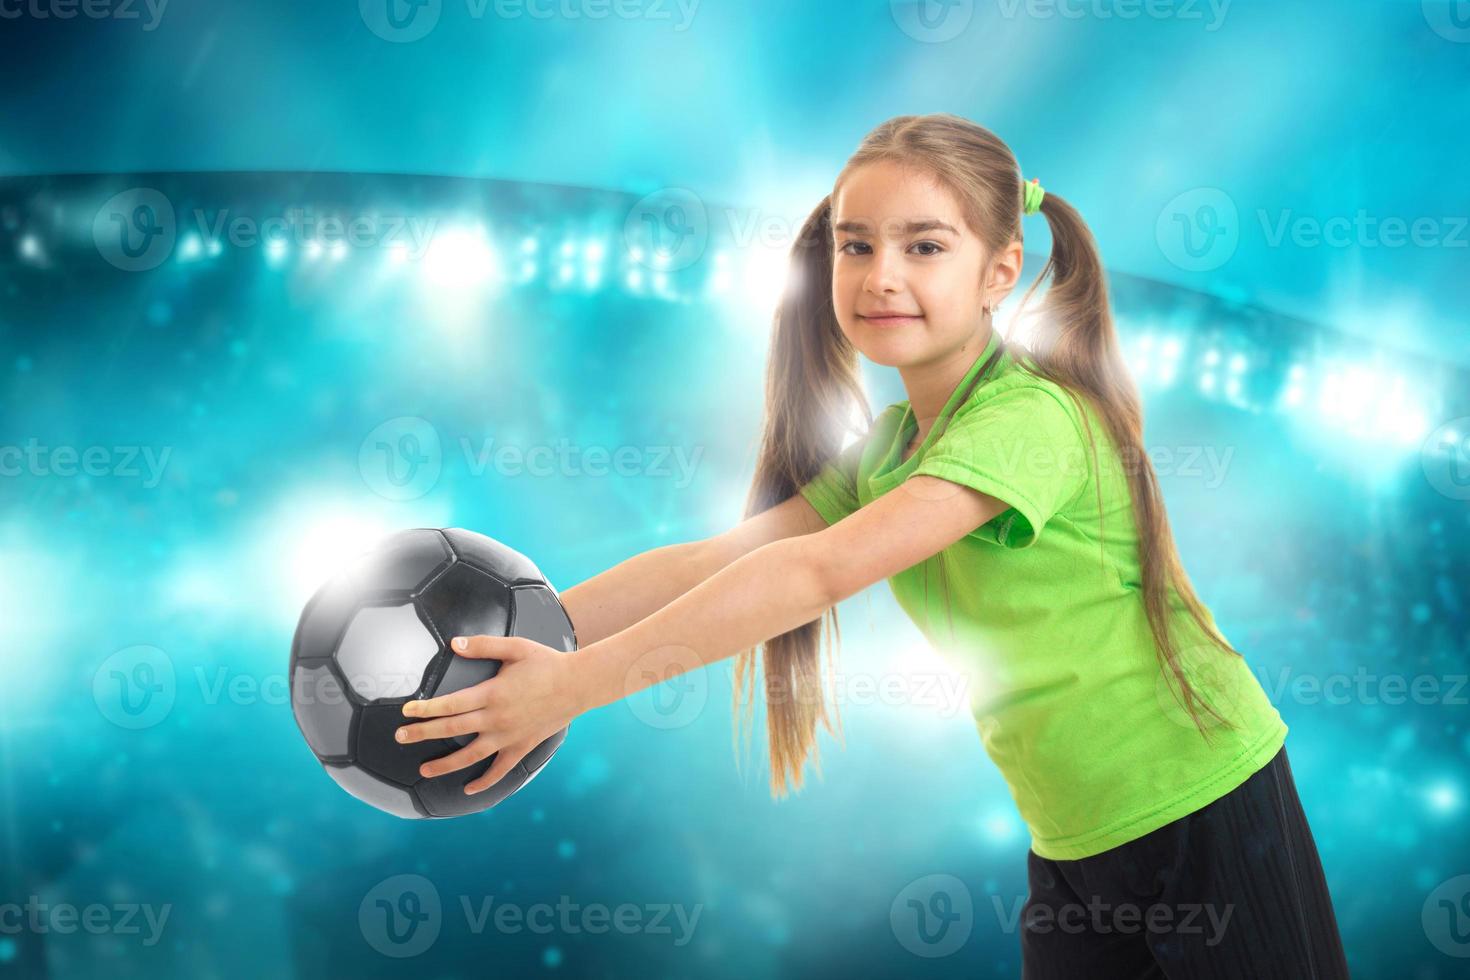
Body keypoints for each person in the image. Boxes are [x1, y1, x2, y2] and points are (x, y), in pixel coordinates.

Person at [395, 113, 1350, 978]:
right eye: (857, 246)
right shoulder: (894, 449)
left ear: (1000, 269)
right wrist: (526, 629)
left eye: (924, 246)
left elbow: (818, 571)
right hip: (1074, 845)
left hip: (1209, 813)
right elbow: (714, 561)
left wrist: (570, 687)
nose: (881, 274)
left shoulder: (1030, 420)